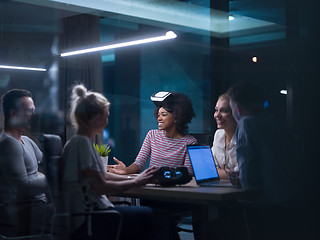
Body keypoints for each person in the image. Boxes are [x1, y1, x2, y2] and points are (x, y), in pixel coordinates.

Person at [61, 84, 178, 240]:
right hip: (89, 218)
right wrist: (135, 183)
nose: (108, 120)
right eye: (106, 116)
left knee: (156, 217)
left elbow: (102, 176)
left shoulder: (81, 142)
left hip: (92, 213)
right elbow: (100, 186)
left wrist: (138, 179)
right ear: (97, 119)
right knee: (158, 218)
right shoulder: (81, 144)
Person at [227, 81, 308, 239]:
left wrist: (242, 182)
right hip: (291, 197)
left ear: (239, 110)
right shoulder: (273, 120)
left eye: (231, 110)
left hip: (266, 201)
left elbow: (248, 166)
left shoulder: (246, 124)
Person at [108, 91, 197, 175]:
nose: (159, 118)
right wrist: (126, 170)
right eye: (158, 115)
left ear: (176, 117)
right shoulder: (152, 135)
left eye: (164, 115)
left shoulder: (190, 142)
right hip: (153, 186)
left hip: (175, 188)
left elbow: (188, 173)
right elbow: (138, 164)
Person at [0, 89, 51, 235]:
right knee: (75, 216)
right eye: (29, 111)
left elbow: (49, 165)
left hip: (38, 207)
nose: (34, 115)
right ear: (13, 114)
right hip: (26, 213)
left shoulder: (26, 140)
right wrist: (55, 180)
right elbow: (23, 187)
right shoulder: (8, 144)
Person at [211, 93, 237, 180]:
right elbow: (209, 167)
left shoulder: (243, 138)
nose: (217, 115)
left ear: (235, 113)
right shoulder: (218, 134)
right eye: (216, 110)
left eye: (224, 111)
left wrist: (216, 171)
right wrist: (228, 173)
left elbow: (240, 175)